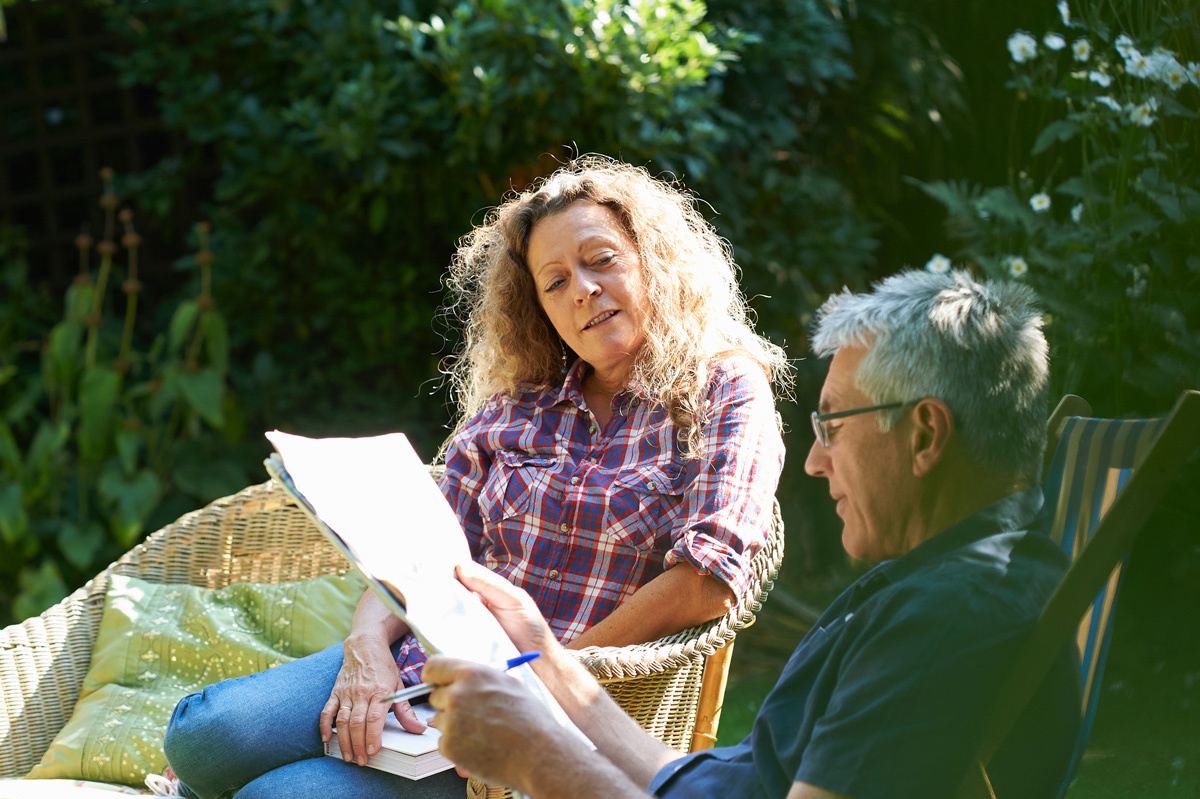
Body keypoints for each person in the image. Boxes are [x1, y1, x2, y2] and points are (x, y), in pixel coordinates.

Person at [159, 156, 790, 799]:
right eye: (555, 282)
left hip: (559, 700)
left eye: (601, 260)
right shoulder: (519, 404)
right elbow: (414, 546)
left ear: (653, 260)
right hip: (424, 665)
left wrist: (548, 676)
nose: (582, 289)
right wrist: (366, 645)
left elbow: (707, 580)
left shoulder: (723, 389)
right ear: (539, 307)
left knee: (281, 796)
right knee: (203, 735)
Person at [421, 269, 1083, 799]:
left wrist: (536, 759)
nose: (816, 461)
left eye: (833, 426)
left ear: (925, 434)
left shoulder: (947, 620)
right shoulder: (947, 576)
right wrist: (546, 658)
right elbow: (710, 779)